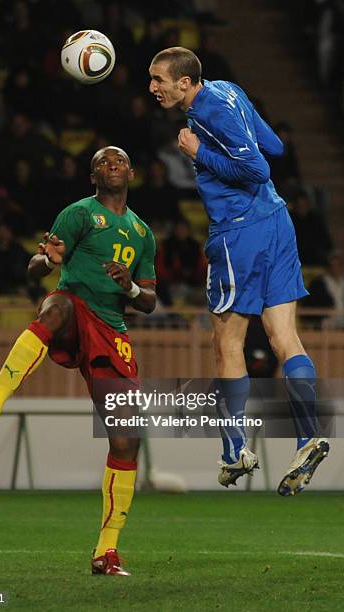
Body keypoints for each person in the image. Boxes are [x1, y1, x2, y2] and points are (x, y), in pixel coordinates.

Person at [0, 146, 157, 575]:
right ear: (93, 177)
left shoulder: (143, 233)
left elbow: (151, 302)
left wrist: (132, 289)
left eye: (119, 161)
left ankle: (106, 552)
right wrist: (47, 260)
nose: (112, 166)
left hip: (112, 330)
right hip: (74, 306)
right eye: (103, 162)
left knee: (127, 440)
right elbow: (36, 266)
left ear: (132, 173)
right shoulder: (79, 214)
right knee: (55, 308)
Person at [148, 47, 329, 496]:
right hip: (277, 224)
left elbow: (257, 167)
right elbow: (276, 145)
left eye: (159, 80)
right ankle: (308, 436)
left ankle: (233, 450)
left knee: (226, 341)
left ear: (185, 83)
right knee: (285, 338)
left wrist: (199, 152)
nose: (152, 88)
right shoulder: (229, 91)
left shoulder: (204, 116)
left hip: (238, 233)